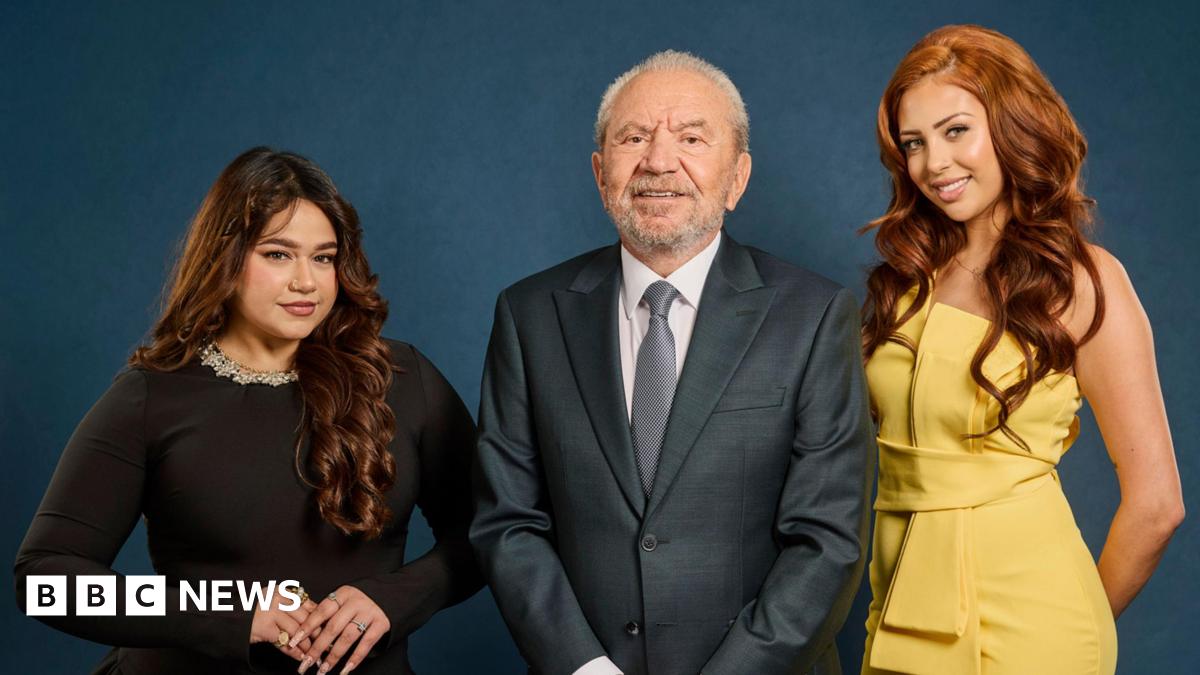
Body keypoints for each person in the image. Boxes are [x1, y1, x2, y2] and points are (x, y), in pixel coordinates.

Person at [470, 50, 874, 675]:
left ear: (737, 178)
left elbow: (828, 541)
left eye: (691, 137)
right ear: (601, 172)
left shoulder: (815, 316)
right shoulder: (529, 316)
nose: (659, 161)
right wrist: (585, 668)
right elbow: (508, 520)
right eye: (634, 138)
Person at [14, 147, 482, 674]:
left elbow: (493, 530)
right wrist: (231, 611)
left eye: (323, 257)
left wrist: (394, 599)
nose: (306, 281)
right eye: (278, 254)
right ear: (226, 259)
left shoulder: (400, 378)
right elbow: (45, 583)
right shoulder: (150, 396)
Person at [860, 25, 1184, 674]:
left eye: (957, 131)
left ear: (1012, 124)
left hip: (1031, 626)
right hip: (896, 608)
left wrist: (1072, 616)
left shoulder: (1084, 280)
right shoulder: (904, 282)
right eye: (915, 143)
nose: (935, 164)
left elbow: (1157, 504)